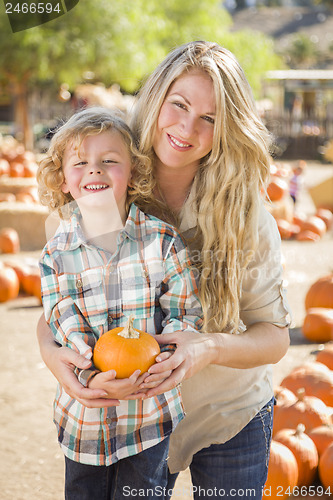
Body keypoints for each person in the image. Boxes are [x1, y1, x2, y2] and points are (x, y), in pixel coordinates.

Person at [37, 42, 291, 499]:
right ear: (156, 97)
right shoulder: (104, 185)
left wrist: (207, 348)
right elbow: (64, 299)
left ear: (226, 128)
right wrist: (54, 358)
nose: (187, 127)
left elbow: (274, 336)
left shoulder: (243, 211)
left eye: (210, 119)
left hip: (228, 411)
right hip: (136, 418)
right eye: (179, 104)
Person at [37, 107, 203, 500]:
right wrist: (88, 374)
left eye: (109, 161)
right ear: (63, 179)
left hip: (149, 412)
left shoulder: (161, 241)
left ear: (134, 173)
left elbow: (184, 312)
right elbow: (62, 318)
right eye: (81, 163)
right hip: (86, 416)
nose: (94, 171)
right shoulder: (55, 253)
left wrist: (164, 362)